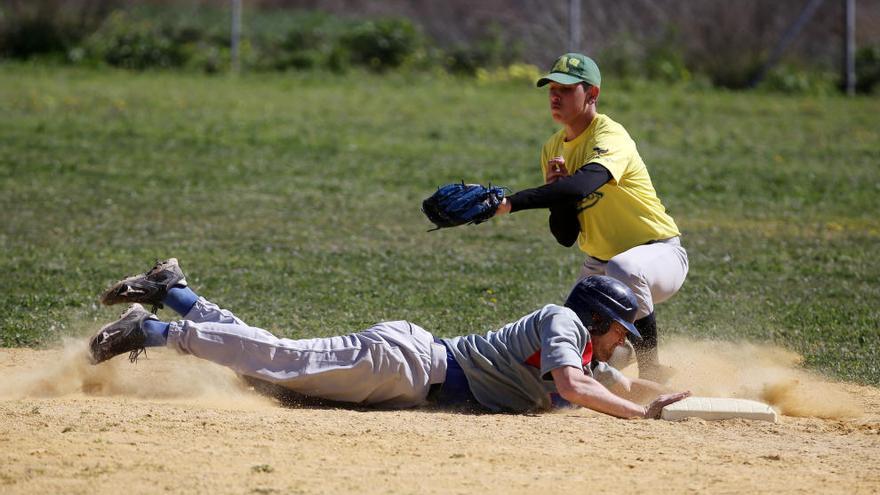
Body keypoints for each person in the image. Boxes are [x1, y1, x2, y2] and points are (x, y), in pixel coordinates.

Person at [90, 258, 689, 418]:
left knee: (270, 372)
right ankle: (157, 329)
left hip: (404, 378)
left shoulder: (585, 354)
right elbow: (575, 387)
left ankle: (175, 292)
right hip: (402, 364)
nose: (623, 340)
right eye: (620, 328)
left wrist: (661, 401)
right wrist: (637, 418)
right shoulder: (562, 326)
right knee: (277, 360)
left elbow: (618, 385)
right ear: (596, 317)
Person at [493, 53, 689, 380]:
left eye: (567, 89)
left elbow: (582, 185)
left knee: (625, 267)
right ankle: (611, 364)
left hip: (660, 255)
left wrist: (511, 203)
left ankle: (652, 370)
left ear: (592, 94)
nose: (556, 96)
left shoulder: (610, 136)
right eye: (552, 88)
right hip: (599, 265)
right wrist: (557, 196)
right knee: (569, 335)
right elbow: (566, 235)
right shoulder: (553, 147)